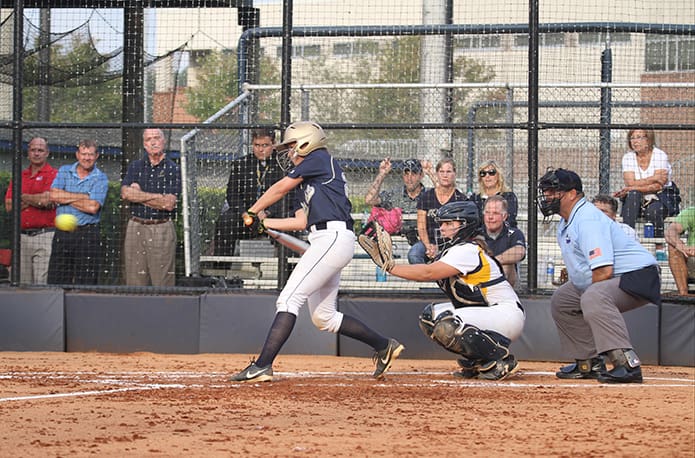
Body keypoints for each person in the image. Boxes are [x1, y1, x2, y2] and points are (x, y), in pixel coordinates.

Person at [229, 121, 404, 383]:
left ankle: (262, 365)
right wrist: (265, 224)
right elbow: (301, 221)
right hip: (327, 238)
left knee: (288, 300)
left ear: (306, 143)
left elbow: (278, 189)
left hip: (331, 237)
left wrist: (252, 212)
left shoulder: (319, 158)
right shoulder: (309, 177)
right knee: (324, 317)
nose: (288, 153)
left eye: (291, 146)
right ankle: (384, 346)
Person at [537, 168, 660, 384]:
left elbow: (604, 271)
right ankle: (589, 363)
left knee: (593, 296)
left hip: (639, 274)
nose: (547, 197)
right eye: (546, 192)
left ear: (572, 193)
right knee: (563, 300)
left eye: (553, 192)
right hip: (617, 278)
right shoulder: (566, 222)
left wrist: (590, 300)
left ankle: (626, 363)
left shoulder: (587, 219)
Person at [382, 200, 525, 380]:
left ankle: (500, 359)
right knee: (430, 317)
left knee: (446, 323)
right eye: (442, 223)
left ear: (465, 225)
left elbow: (428, 272)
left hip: (505, 315)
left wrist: (390, 267)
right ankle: (480, 359)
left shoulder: (468, 250)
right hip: (490, 312)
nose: (442, 228)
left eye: (449, 223)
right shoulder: (457, 250)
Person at [212, 128, 289, 256]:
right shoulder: (241, 164)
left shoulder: (283, 165)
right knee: (225, 221)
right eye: (256, 145)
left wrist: (268, 212)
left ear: (273, 144)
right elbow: (232, 194)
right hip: (247, 215)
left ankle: (287, 269)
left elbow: (287, 194)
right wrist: (245, 213)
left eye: (265, 145)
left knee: (289, 223)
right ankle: (221, 270)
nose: (260, 149)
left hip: (274, 215)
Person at [121, 128, 181, 287]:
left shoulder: (173, 168)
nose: (153, 142)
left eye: (156, 138)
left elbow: (168, 204)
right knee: (134, 280)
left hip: (160, 226)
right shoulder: (135, 166)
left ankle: (163, 311)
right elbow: (126, 194)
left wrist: (139, 195)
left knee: (162, 282)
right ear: (144, 144)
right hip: (136, 226)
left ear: (164, 141)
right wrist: (157, 198)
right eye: (148, 139)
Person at [47, 139, 108, 285]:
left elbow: (93, 207)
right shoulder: (64, 171)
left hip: (88, 234)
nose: (87, 158)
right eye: (84, 154)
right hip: (63, 233)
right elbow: (53, 195)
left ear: (97, 156)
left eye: (90, 154)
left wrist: (65, 196)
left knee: (86, 281)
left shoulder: (101, 178)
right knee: (57, 279)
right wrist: (83, 197)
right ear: (77, 155)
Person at [4, 137, 57, 284]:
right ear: (28, 153)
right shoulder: (20, 176)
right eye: (33, 150)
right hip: (21, 236)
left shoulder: (53, 174)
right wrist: (35, 200)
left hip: (45, 235)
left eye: (40, 150)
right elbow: (9, 206)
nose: (36, 153)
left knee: (42, 282)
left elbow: (47, 201)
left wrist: (22, 197)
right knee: (21, 283)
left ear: (47, 153)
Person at [364, 157, 435, 263]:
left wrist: (432, 173)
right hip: (399, 241)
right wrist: (382, 174)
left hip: (425, 242)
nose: (409, 178)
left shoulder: (429, 195)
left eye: (414, 173)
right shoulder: (395, 195)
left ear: (421, 175)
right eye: (406, 173)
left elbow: (446, 197)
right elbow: (370, 199)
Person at [614, 129, 674, 237]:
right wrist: (653, 178)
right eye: (632, 138)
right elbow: (630, 183)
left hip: (660, 196)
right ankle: (628, 238)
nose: (635, 141)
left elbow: (658, 186)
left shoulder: (660, 155)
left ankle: (658, 246)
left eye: (639, 137)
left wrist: (634, 187)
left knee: (654, 210)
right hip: (636, 199)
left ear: (648, 140)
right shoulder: (628, 157)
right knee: (633, 195)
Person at [415, 158, 467, 263]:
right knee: (414, 253)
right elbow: (421, 227)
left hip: (452, 243)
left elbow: (462, 230)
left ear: (454, 174)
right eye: (441, 172)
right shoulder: (426, 196)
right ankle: (426, 278)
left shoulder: (460, 199)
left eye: (448, 171)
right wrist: (428, 246)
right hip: (428, 241)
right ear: (437, 174)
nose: (445, 175)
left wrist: (443, 247)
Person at [482, 195, 526, 288]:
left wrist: (492, 262)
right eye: (487, 213)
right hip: (479, 276)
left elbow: (520, 252)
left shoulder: (514, 233)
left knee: (507, 265)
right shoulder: (476, 233)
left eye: (495, 213)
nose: (490, 217)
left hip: (505, 280)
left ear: (504, 216)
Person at [471, 160, 519, 228]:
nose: (487, 176)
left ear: (498, 175)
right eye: (483, 173)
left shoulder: (508, 197)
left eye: (491, 172)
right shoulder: (475, 198)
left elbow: (509, 220)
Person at [664, 207, 695, 296]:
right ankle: (683, 293)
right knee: (673, 247)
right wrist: (679, 245)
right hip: (692, 261)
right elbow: (670, 231)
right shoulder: (691, 212)